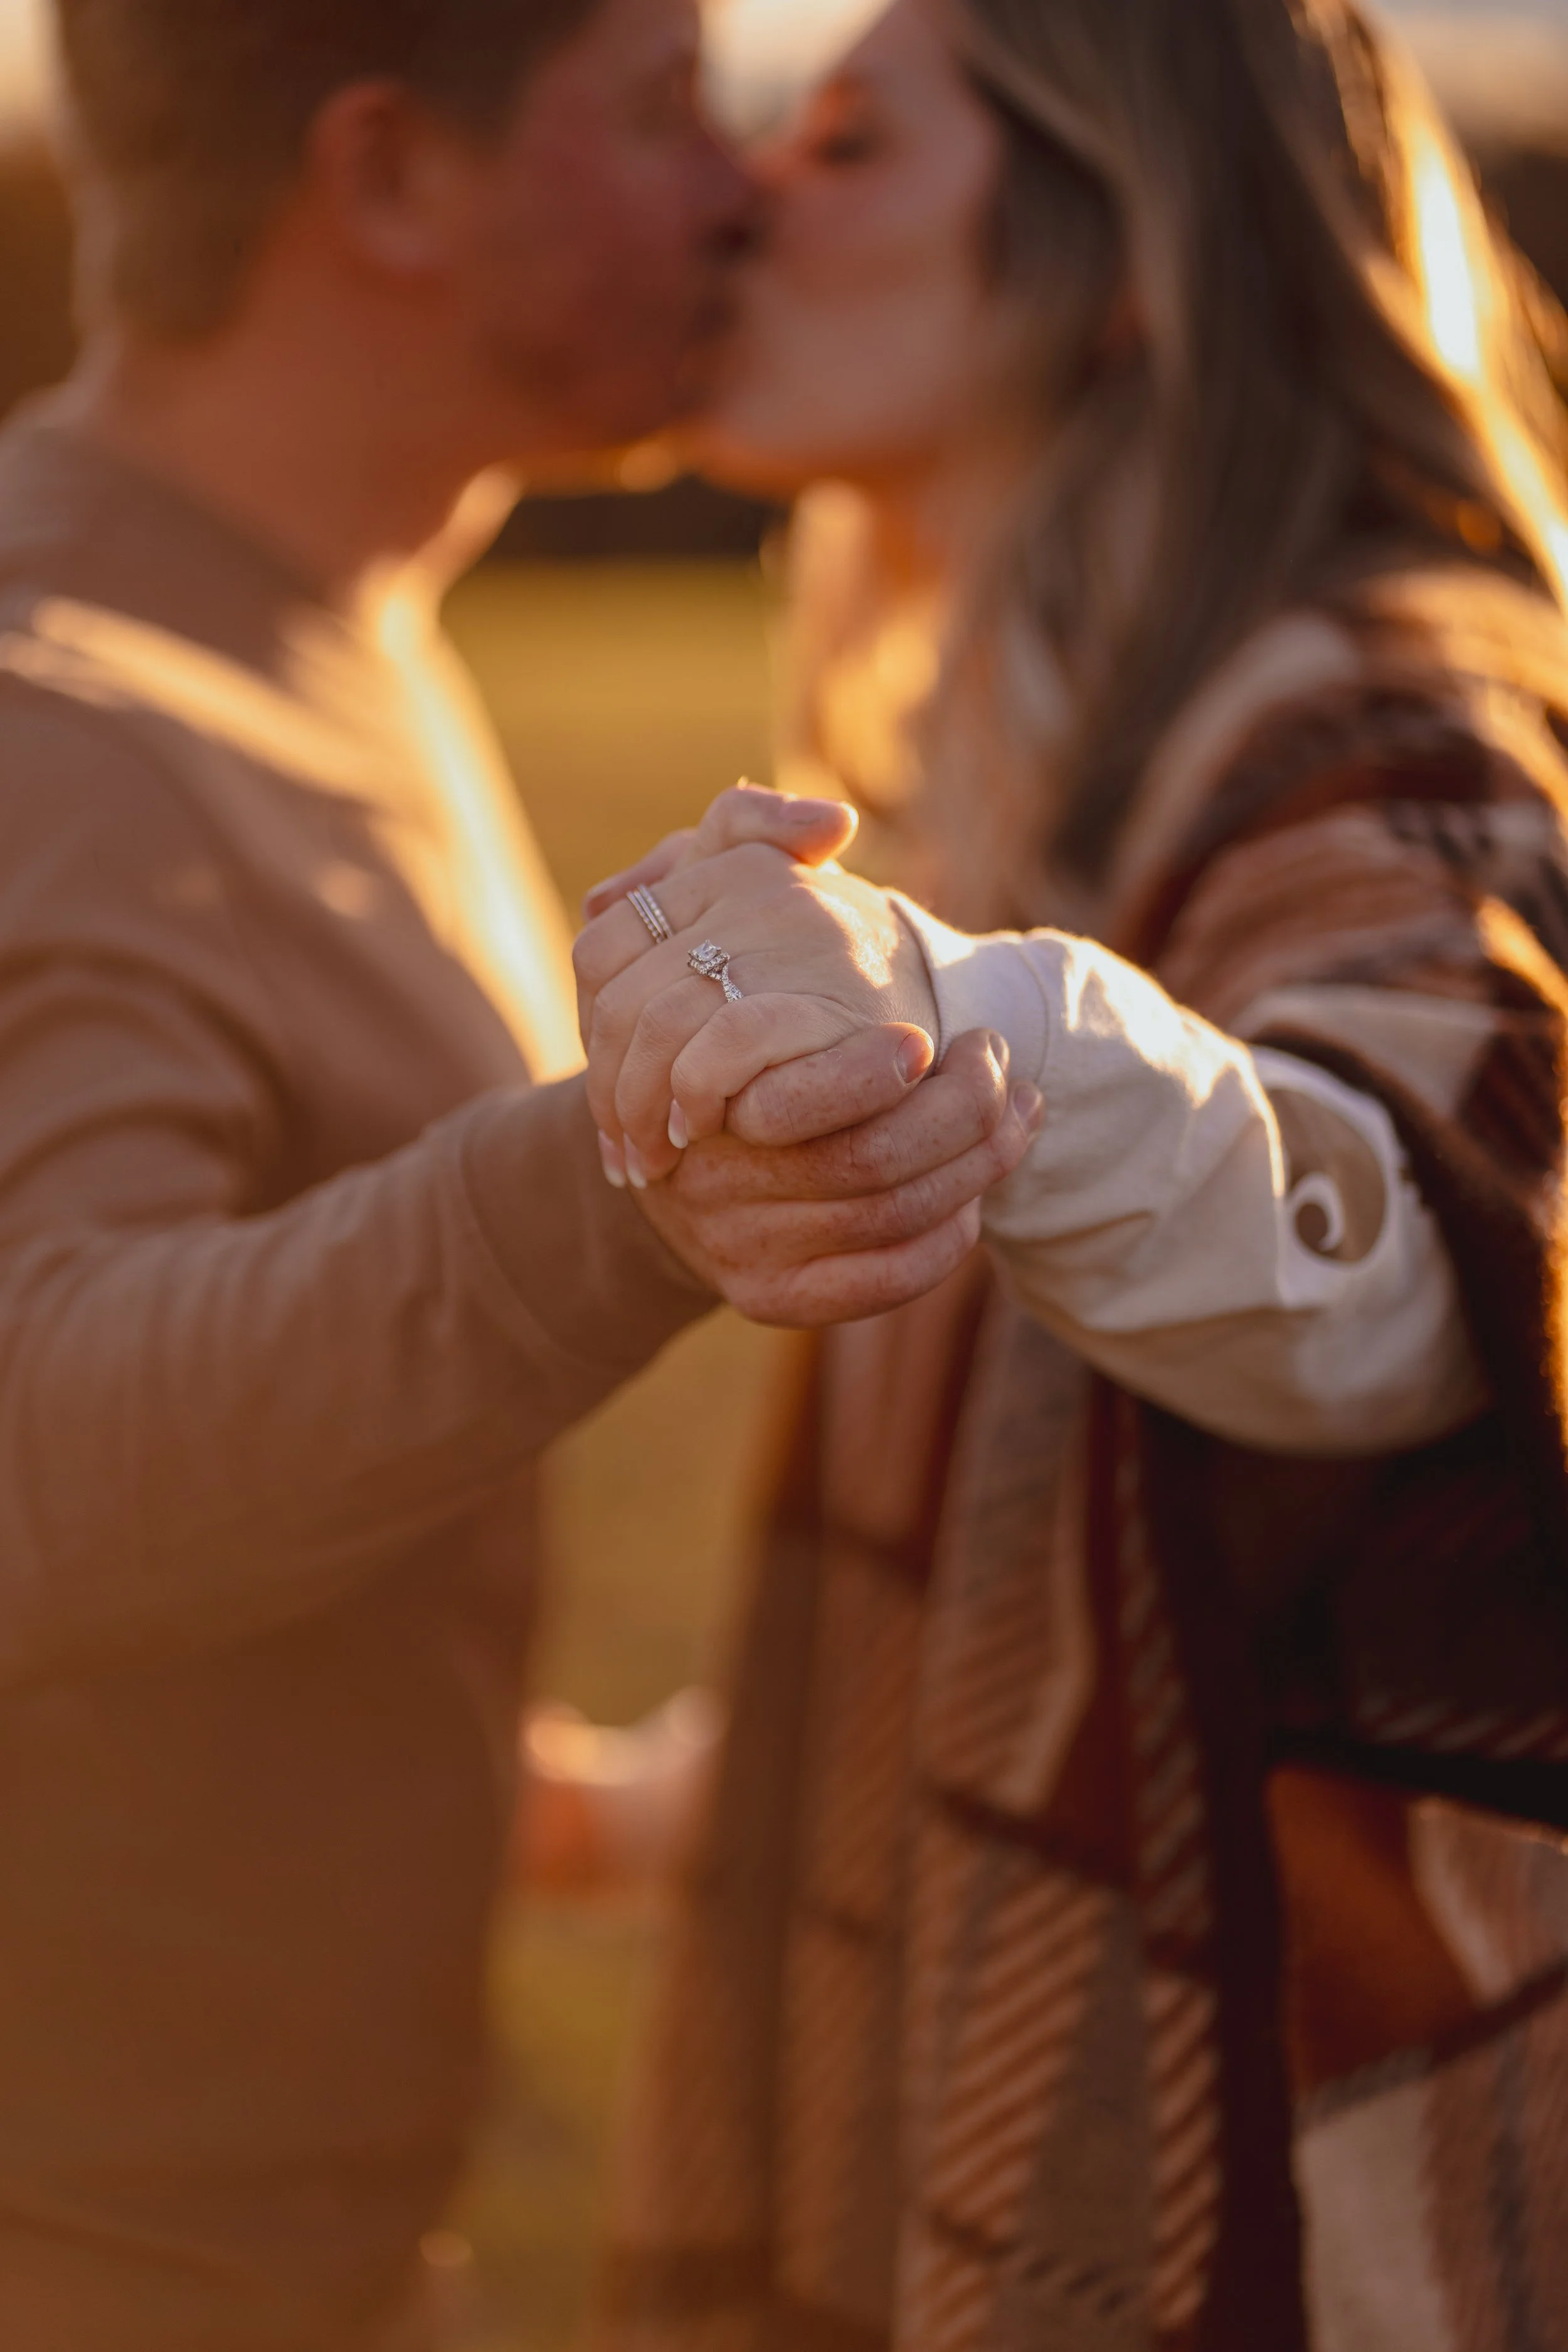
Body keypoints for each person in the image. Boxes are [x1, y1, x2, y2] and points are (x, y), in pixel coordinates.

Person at [0, 0, 1042, 2341]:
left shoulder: (314, 619)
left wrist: (522, 1796)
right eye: (664, 106)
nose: (739, 187)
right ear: (385, 180)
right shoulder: (51, 721)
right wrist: (638, 1173)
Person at [580, 1, 1568, 2346]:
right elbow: (1113, 1584)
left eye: (840, 141)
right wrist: (640, 1815)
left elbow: (1410, 1254)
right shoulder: (1068, 769)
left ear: (1126, 249)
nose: (744, 199)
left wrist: (980, 1022)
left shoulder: (1384, 708)